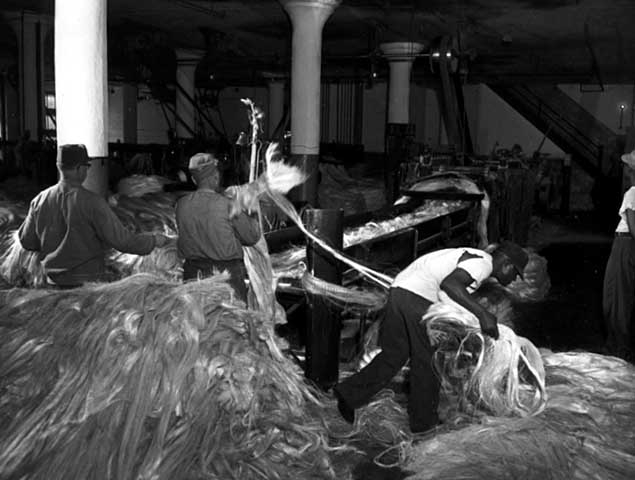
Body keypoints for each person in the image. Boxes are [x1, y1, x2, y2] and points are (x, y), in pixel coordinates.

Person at [333, 241, 529, 433]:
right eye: (514, 274)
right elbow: (450, 285)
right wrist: (483, 314)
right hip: (415, 296)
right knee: (427, 361)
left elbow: (447, 296)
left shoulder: (474, 256)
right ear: (506, 265)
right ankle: (423, 424)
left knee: (394, 355)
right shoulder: (483, 264)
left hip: (400, 291)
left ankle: (348, 393)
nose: (513, 280)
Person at [18, 144, 169, 288]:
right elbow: (122, 241)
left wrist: (52, 245)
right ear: (79, 168)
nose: (87, 171)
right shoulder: (92, 202)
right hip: (89, 285)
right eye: (87, 166)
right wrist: (153, 240)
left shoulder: (39, 201)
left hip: (52, 283)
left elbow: (27, 241)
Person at [175, 152, 261, 302]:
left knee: (197, 321)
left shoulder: (181, 205)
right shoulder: (227, 205)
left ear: (194, 179)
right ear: (216, 177)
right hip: (225, 279)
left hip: (193, 278)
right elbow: (252, 236)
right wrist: (252, 211)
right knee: (230, 322)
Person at [602, 149, 635, 360]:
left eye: (628, 166)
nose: (625, 169)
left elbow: (633, 229)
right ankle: (620, 343)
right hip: (628, 246)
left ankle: (618, 346)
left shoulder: (632, 193)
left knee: (616, 295)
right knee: (624, 295)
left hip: (625, 245)